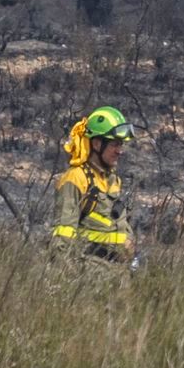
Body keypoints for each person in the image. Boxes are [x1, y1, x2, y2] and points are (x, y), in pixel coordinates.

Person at [51, 106, 137, 264]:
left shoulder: (113, 181)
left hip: (117, 277)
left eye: (121, 145)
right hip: (89, 278)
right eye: (114, 145)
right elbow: (63, 237)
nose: (119, 151)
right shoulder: (76, 178)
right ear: (97, 144)